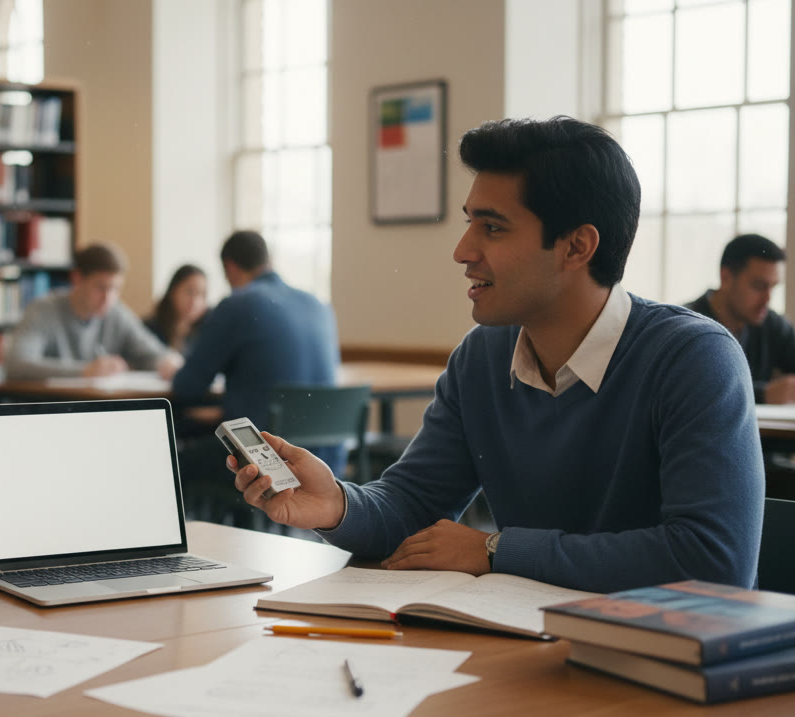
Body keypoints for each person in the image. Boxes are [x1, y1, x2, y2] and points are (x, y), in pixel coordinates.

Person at [231, 117, 764, 593]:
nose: (462, 251)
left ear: (577, 247)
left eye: (492, 227)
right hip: (528, 650)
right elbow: (413, 507)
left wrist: (494, 550)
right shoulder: (483, 358)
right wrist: (338, 505)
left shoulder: (695, 359)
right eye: (469, 223)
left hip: (659, 670)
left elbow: (712, 563)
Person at [685, 234, 795, 533]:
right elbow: (693, 389)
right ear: (726, 277)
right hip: (703, 467)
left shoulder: (771, 325)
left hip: (763, 463)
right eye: (759, 286)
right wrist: (766, 393)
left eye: (773, 288)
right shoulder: (687, 324)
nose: (768, 298)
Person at [173, 231, 341, 476]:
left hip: (265, 460)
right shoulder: (318, 305)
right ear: (268, 259)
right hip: (326, 460)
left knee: (173, 462)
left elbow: (187, 387)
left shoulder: (237, 304)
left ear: (229, 267)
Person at [4, 242, 183, 380]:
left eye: (115, 289)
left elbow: (153, 352)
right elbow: (16, 364)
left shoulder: (116, 313)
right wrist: (84, 371)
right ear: (77, 279)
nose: (108, 298)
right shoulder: (43, 310)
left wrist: (168, 363)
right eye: (101, 288)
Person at [144, 264, 209, 353]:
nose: (194, 301)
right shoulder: (147, 331)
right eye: (189, 291)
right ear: (173, 291)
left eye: (202, 294)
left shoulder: (207, 333)